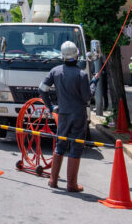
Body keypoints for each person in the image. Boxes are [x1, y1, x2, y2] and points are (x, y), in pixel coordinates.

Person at [39, 40, 95, 192]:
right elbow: (86, 97)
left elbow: (42, 89)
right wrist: (93, 84)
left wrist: (50, 107)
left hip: (62, 113)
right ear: (77, 55)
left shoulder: (55, 71)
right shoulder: (82, 75)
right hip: (78, 115)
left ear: (62, 56)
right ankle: (71, 184)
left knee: (60, 145)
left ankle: (53, 180)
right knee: (76, 147)